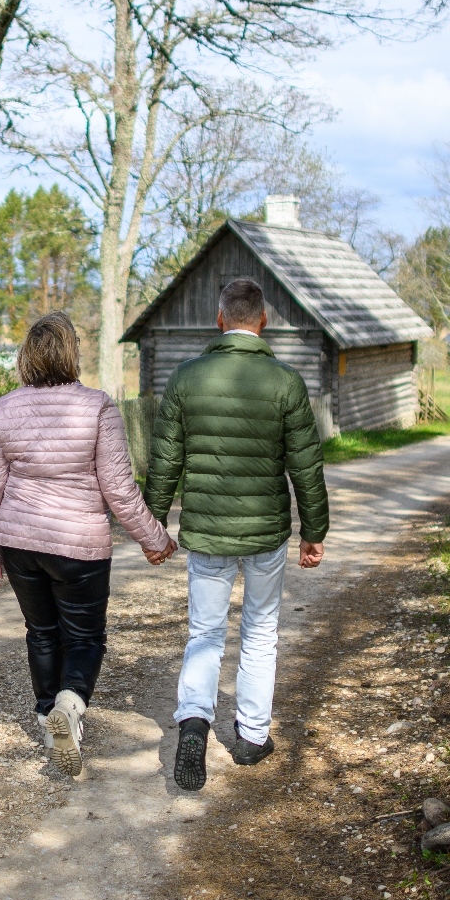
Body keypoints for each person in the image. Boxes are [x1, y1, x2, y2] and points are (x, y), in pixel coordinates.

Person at [143, 277, 328, 791]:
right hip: (266, 531)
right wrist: (313, 531)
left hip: (206, 533)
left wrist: (153, 525)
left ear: (220, 319)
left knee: (204, 632)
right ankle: (250, 735)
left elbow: (165, 462)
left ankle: (195, 722)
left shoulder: (185, 378)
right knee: (260, 632)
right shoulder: (286, 382)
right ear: (262, 321)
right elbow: (306, 467)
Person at [0, 311, 175, 777]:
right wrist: (154, 539)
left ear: (28, 357)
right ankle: (71, 702)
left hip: (20, 543)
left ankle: (49, 720)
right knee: (84, 636)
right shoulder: (98, 406)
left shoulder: (5, 408)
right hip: (78, 545)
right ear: (72, 355)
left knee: (41, 632)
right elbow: (118, 488)